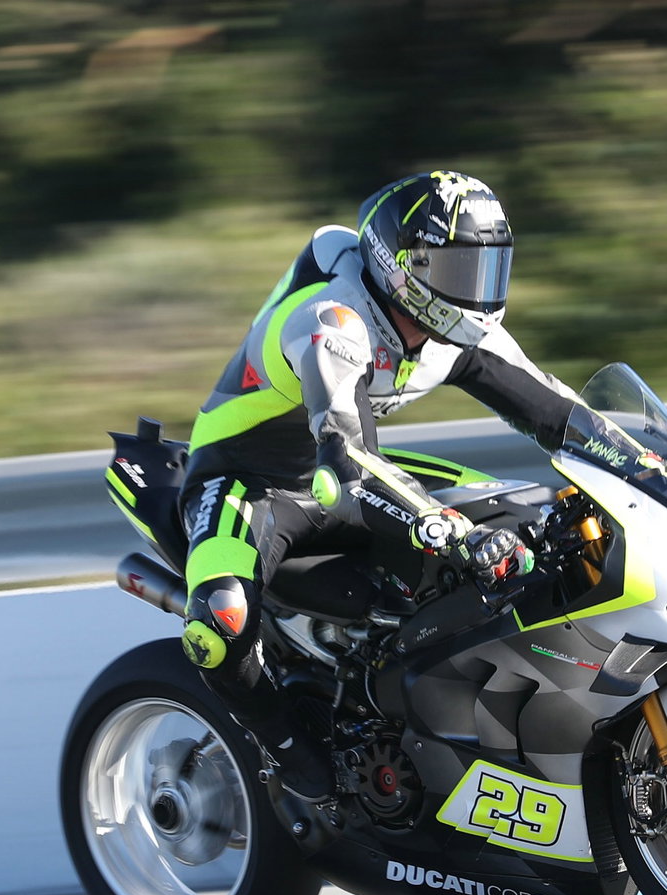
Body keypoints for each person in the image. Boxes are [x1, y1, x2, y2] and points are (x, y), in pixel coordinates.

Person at [176, 171, 584, 803]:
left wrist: (663, 474)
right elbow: (345, 471)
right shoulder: (333, 322)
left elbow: (561, 416)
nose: (475, 292)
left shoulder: (458, 331)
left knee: (528, 513)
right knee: (220, 621)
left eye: (486, 270)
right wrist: (453, 533)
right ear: (400, 265)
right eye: (457, 270)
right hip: (248, 480)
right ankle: (294, 758)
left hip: (348, 469)